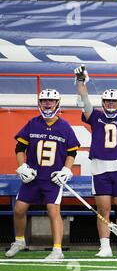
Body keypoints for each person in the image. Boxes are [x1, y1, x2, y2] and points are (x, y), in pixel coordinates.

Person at [74, 65, 117, 257]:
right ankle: (104, 246)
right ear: (103, 102)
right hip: (100, 165)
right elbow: (84, 101)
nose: (111, 105)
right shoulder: (95, 116)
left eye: (114, 102)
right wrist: (80, 82)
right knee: (103, 209)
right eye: (108, 101)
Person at [6, 89, 80, 260]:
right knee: (19, 209)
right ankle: (19, 241)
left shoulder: (64, 127)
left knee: (53, 210)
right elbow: (19, 148)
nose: (47, 104)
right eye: (44, 101)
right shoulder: (33, 123)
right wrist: (22, 167)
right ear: (40, 103)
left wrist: (66, 170)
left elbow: (72, 152)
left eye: (51, 101)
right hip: (33, 176)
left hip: (52, 178)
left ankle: (57, 249)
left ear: (57, 103)